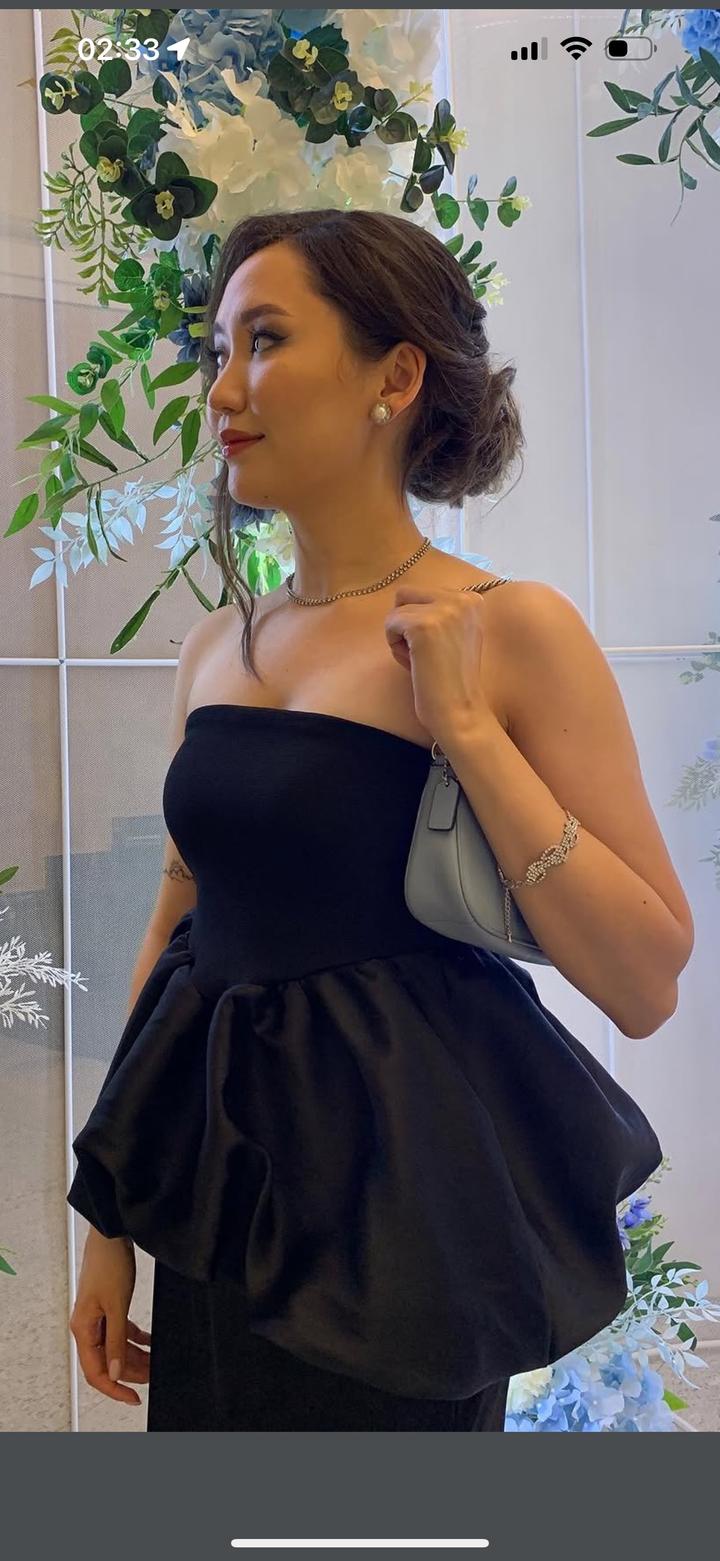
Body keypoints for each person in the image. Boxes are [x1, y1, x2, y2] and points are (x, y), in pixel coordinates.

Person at [67, 208, 677, 1432]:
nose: (222, 388)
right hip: (218, 1208)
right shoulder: (215, 647)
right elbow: (179, 929)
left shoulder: (511, 626)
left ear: (395, 378)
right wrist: (110, 1218)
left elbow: (646, 978)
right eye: (218, 349)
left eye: (266, 340)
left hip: (400, 1225)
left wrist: (467, 729)